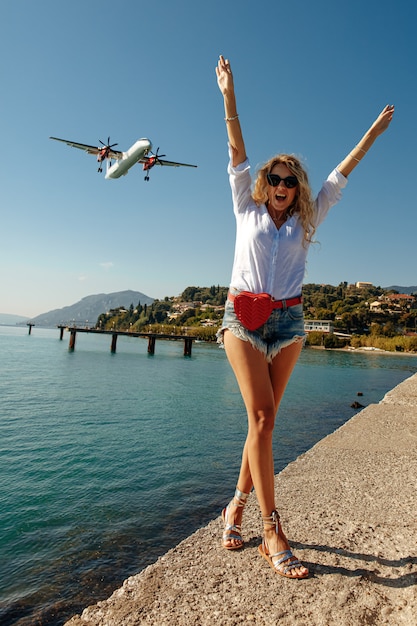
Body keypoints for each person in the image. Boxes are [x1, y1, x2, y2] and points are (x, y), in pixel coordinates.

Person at [215, 54, 394, 579]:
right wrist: (228, 94)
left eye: (289, 180)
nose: (280, 184)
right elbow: (236, 149)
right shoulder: (244, 209)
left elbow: (343, 172)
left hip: (290, 326)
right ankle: (272, 528)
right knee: (264, 419)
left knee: (262, 425)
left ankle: (236, 506)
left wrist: (373, 134)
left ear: (297, 190)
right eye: (274, 177)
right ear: (264, 181)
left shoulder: (305, 222)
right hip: (242, 318)